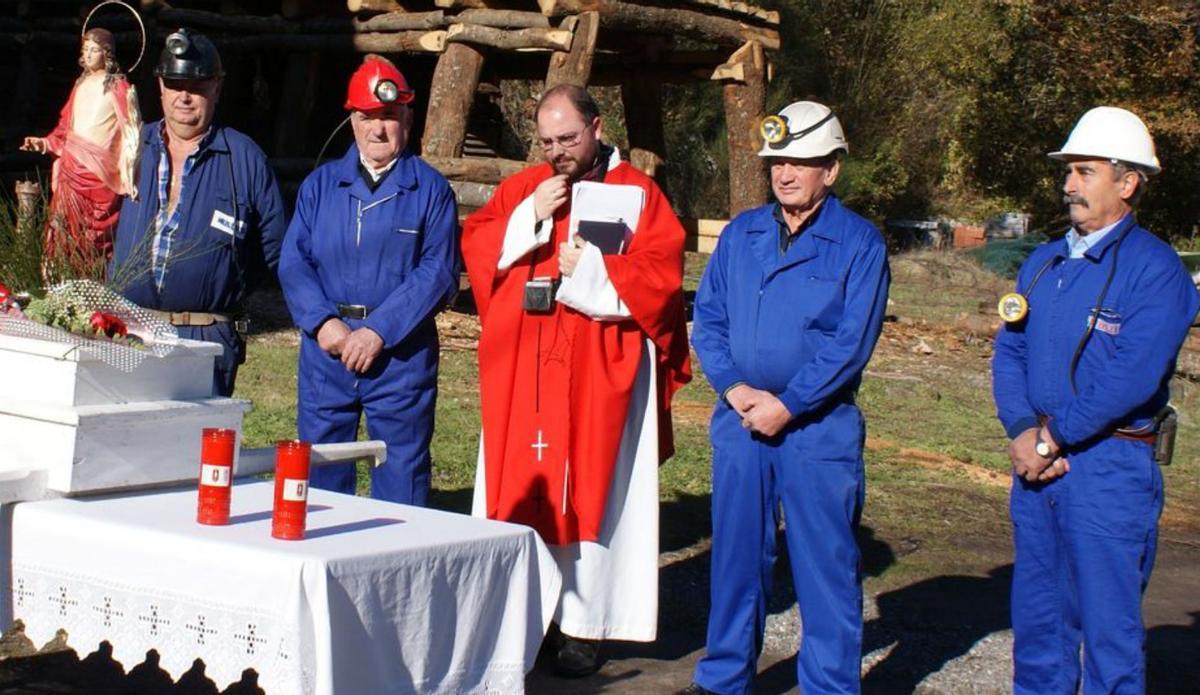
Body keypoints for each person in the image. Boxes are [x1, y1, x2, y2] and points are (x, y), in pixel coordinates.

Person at [461, 84, 691, 676]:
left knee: (595, 491)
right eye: (548, 142)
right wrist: (527, 217)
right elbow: (478, 247)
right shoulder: (524, 188)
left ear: (597, 126)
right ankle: (527, 616)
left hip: (599, 373)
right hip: (529, 372)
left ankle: (586, 626)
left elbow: (661, 283)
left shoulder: (638, 194)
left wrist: (591, 270)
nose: (559, 152)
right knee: (528, 487)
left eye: (569, 139)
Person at [684, 101, 890, 695]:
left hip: (817, 429)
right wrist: (734, 387)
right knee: (737, 559)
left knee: (825, 565)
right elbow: (711, 317)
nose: (785, 173)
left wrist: (790, 403)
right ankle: (724, 679)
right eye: (778, 161)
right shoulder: (742, 233)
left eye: (800, 161)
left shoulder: (858, 243)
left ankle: (829, 685)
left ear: (832, 169)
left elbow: (851, 344)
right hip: (742, 421)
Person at [992, 106, 1198, 694]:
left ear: (1127, 181)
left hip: (1109, 469)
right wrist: (1022, 430)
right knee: (1037, 629)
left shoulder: (1155, 271)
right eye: (1068, 173)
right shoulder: (1044, 262)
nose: (1069, 185)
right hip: (1036, 467)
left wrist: (1052, 437)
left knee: (1109, 638)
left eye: (1084, 172)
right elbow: (1010, 354)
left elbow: (1131, 377)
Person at [278, 55, 459, 506]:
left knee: (401, 473)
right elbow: (293, 263)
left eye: (389, 117)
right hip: (328, 354)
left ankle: (398, 567)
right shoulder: (320, 186)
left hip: (400, 358)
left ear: (408, 119)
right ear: (352, 120)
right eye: (368, 117)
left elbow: (437, 271)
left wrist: (379, 330)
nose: (378, 129)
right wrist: (324, 324)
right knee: (321, 469)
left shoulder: (432, 191)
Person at [110, 28, 285, 397]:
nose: (185, 97)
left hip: (206, 337)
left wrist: (218, 283)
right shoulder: (130, 146)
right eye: (175, 84)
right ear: (160, 87)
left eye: (198, 86)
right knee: (122, 444)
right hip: (130, 332)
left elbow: (272, 248)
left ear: (217, 88)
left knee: (198, 450)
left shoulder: (244, 158)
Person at [22, 28, 141, 277]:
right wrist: (44, 143)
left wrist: (130, 169)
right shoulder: (81, 84)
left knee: (92, 239)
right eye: (85, 49)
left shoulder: (118, 87)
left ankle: (89, 283)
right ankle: (58, 280)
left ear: (107, 54)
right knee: (63, 228)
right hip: (71, 168)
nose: (87, 54)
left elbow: (131, 130)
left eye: (94, 50)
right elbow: (66, 128)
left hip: (99, 175)